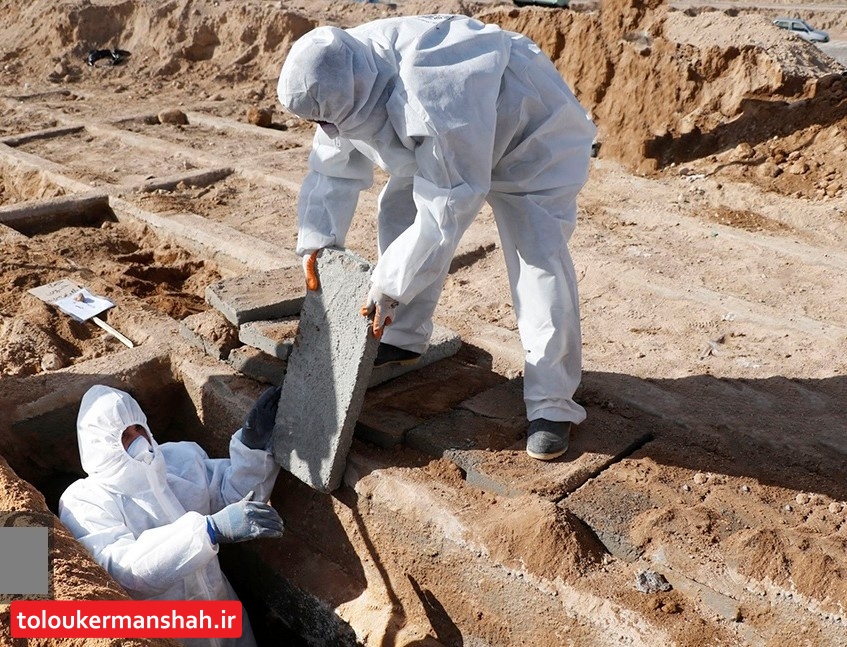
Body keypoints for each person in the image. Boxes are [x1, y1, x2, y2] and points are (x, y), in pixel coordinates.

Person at [277, 15, 596, 461]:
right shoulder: (341, 73)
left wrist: (390, 285)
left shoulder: (434, 87)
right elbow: (330, 166)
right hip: (450, 148)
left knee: (536, 259)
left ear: (358, 93)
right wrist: (317, 243)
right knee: (399, 206)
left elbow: (448, 204)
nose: (327, 129)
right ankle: (402, 337)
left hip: (531, 136)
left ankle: (552, 403)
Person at [58, 384, 285, 647]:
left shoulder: (179, 459)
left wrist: (251, 449)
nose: (139, 441)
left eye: (138, 428)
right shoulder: (85, 502)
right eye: (124, 436)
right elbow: (123, 570)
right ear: (101, 447)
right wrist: (207, 531)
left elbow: (233, 499)